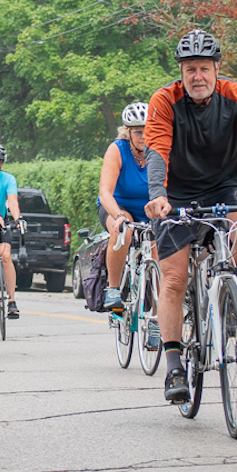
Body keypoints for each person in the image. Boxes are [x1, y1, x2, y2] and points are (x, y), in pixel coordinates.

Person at [144, 28, 237, 404]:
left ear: (216, 68)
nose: (197, 76)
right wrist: (157, 195)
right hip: (175, 196)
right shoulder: (165, 100)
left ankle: (228, 298)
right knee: (174, 279)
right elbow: (157, 150)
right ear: (181, 72)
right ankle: (174, 365)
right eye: (190, 69)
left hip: (223, 189)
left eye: (204, 68)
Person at [97, 103, 159, 349]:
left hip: (151, 209)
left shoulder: (160, 149)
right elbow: (105, 192)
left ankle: (157, 319)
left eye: (148, 130)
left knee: (160, 252)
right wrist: (119, 215)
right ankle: (113, 289)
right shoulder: (118, 149)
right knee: (124, 229)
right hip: (118, 205)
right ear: (128, 133)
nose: (144, 136)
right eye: (138, 132)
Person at [0, 142, 23, 321]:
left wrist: (18, 219)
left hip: (1, 219)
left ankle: (12, 301)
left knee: (6, 256)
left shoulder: (8, 179)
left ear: (0, 163)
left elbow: (13, 201)